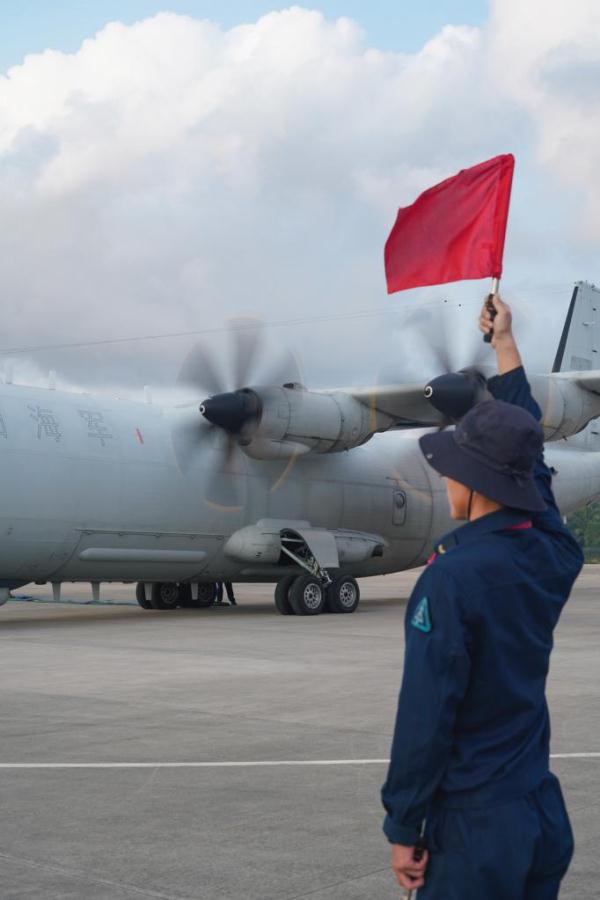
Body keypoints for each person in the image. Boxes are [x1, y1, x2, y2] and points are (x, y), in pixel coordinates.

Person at [381, 295, 583, 899]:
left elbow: (426, 713)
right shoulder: (554, 553)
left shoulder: (452, 576)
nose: (444, 477)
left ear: (473, 480)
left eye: (452, 466)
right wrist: (505, 347)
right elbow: (533, 460)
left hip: (474, 830)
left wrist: (403, 823)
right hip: (537, 811)